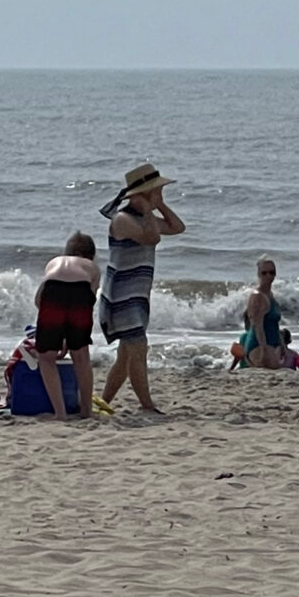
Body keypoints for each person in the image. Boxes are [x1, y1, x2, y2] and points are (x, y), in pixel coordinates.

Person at [98, 164, 185, 414]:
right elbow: (152, 238)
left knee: (126, 356)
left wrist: (160, 207)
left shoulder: (145, 219)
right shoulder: (123, 219)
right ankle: (147, 405)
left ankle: (104, 402)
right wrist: (149, 209)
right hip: (120, 296)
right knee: (138, 348)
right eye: (156, 192)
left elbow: (178, 227)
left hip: (136, 296)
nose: (160, 196)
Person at [34, 232, 101, 418]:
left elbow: (39, 300)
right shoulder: (92, 267)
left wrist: (55, 336)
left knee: (46, 358)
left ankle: (60, 413)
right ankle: (86, 410)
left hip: (52, 290)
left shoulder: (54, 262)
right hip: (81, 293)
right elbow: (89, 301)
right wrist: (70, 338)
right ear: (89, 255)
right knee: (81, 357)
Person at [240, 258, 288, 370]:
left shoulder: (270, 295)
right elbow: (258, 326)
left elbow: (275, 325)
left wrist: (282, 344)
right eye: (264, 273)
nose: (268, 276)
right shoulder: (257, 296)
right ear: (258, 274)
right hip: (258, 344)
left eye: (272, 272)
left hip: (273, 342)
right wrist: (263, 349)